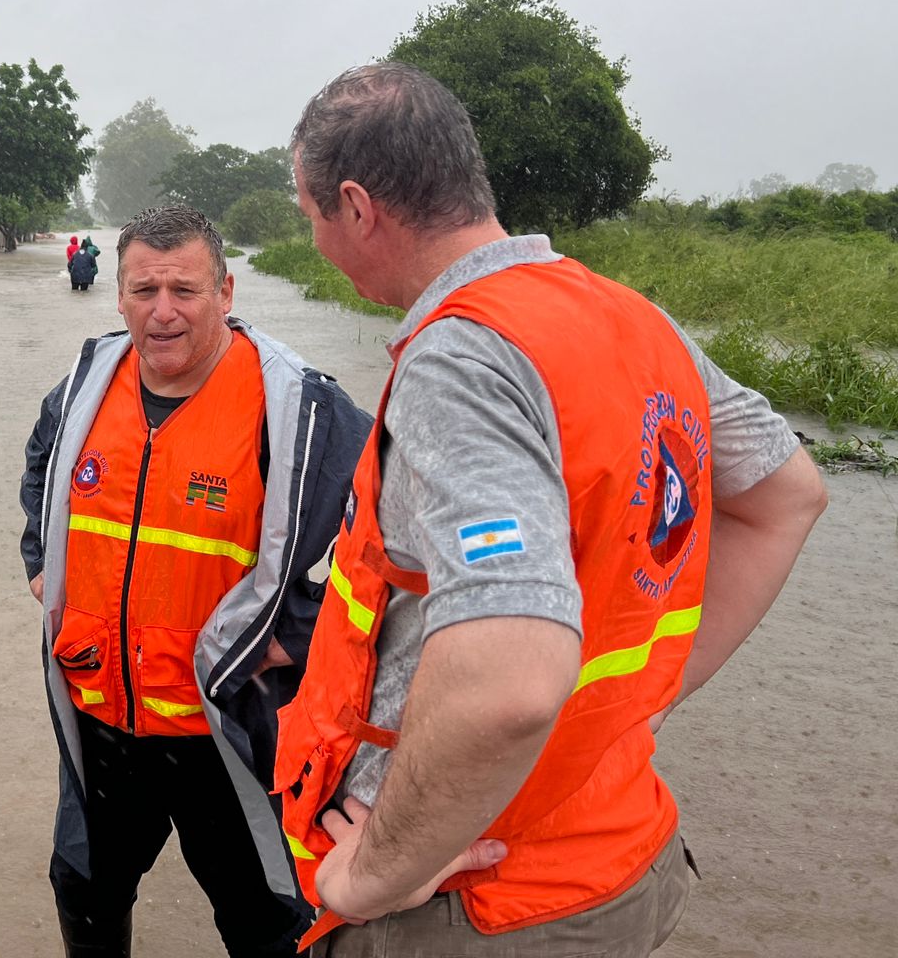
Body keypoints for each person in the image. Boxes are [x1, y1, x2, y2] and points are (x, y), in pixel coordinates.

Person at [274, 63, 828, 956]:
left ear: (357, 206)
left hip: (483, 904)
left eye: (311, 220)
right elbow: (786, 497)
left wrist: (373, 871)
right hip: (620, 854)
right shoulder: (628, 316)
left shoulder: (462, 360)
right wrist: (640, 705)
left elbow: (511, 678)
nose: (316, 246)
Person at [19, 205, 373, 957]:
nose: (163, 312)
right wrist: (42, 568)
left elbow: (389, 548)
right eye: (144, 290)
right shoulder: (83, 388)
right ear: (117, 295)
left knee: (269, 920)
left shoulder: (300, 410)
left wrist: (303, 633)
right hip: (102, 722)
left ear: (227, 291)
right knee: (83, 888)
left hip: (232, 732)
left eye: (185, 289)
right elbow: (40, 481)